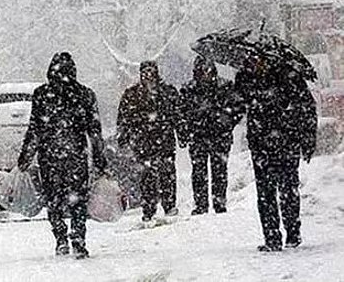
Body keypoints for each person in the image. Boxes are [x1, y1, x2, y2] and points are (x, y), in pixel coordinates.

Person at [18, 52, 107, 259]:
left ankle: (60, 239)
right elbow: (94, 131)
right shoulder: (85, 94)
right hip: (76, 156)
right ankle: (78, 239)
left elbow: (35, 129)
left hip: (50, 157)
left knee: (54, 200)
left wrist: (25, 157)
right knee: (78, 201)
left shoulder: (42, 94)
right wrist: (100, 159)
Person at [235, 57, 317, 252]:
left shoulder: (288, 77)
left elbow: (307, 107)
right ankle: (271, 236)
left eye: (258, 60)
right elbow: (236, 106)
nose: (255, 63)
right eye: (252, 60)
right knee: (265, 193)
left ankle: (292, 232)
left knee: (288, 189)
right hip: (261, 144)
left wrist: (307, 139)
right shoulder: (245, 78)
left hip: (286, 141)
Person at [117, 61, 181, 222]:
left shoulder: (167, 92)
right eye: (145, 73)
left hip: (163, 139)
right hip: (144, 141)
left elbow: (178, 115)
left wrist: (182, 133)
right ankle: (149, 208)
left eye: (151, 72)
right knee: (147, 177)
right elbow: (124, 118)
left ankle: (169, 205)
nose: (148, 76)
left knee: (167, 174)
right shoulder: (133, 94)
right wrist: (124, 136)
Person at [179, 56, 242, 215]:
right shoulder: (188, 90)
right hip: (199, 136)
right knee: (199, 172)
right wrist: (189, 128)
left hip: (219, 136)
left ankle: (219, 202)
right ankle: (201, 204)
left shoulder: (226, 87)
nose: (205, 74)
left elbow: (238, 108)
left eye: (208, 70)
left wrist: (226, 123)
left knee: (219, 171)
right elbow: (181, 113)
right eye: (202, 70)